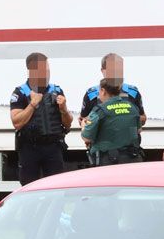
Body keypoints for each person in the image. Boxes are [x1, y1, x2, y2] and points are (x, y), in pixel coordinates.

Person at [10, 52, 73, 185]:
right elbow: (16, 123)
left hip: (53, 147)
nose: (47, 73)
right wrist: (32, 104)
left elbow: (68, 124)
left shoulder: (56, 91)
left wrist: (64, 109)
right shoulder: (20, 92)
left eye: (47, 69)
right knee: (28, 187)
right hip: (29, 148)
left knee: (57, 186)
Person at [81, 79, 144, 166]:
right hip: (133, 159)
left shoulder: (99, 111)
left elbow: (87, 137)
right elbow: (139, 130)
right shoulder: (132, 107)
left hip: (109, 162)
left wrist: (83, 125)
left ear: (103, 91)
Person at [79, 53, 146, 130]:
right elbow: (83, 120)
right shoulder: (91, 94)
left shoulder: (133, 92)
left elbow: (143, 118)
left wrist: (127, 119)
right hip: (102, 137)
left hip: (128, 137)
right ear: (102, 70)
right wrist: (95, 121)